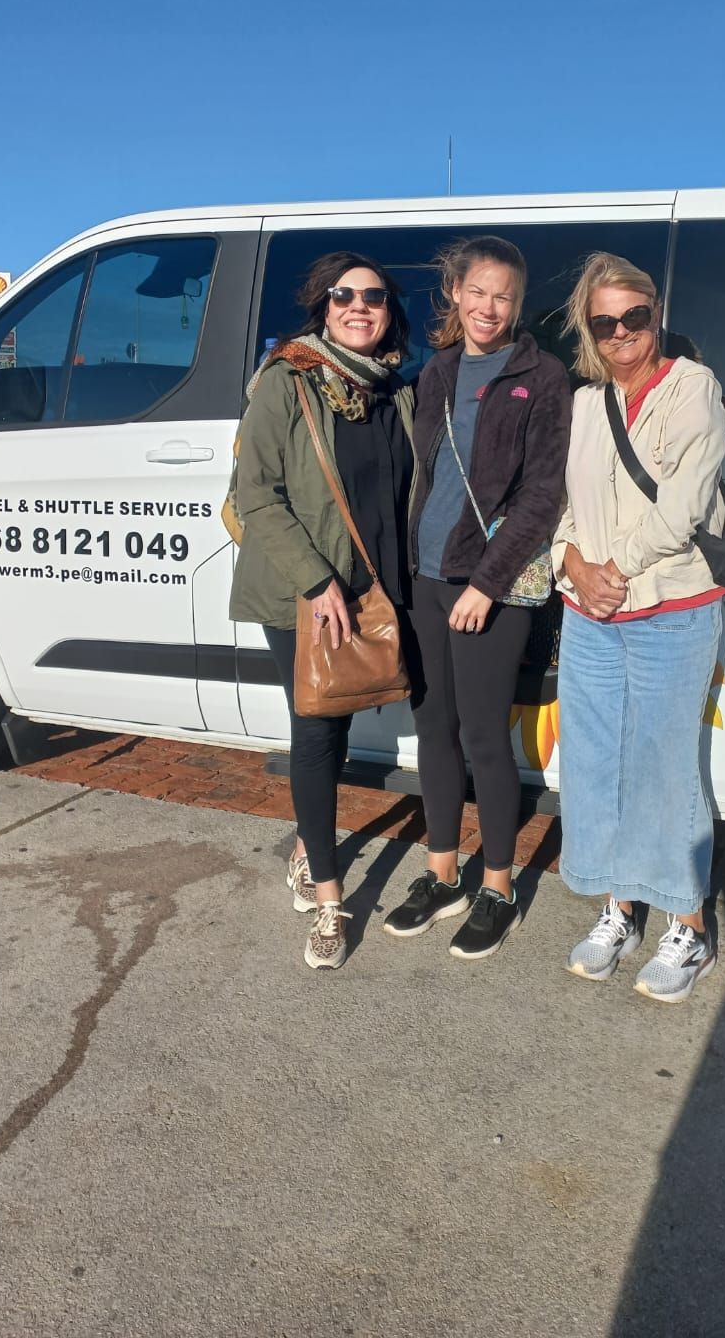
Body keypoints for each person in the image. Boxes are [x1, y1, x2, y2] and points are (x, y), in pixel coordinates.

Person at [384, 236, 571, 959]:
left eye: (505, 297)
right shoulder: (436, 371)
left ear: (517, 306)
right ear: (455, 293)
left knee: (485, 739)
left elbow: (542, 494)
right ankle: (440, 873)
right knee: (433, 733)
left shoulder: (542, 375)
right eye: (479, 291)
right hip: (427, 578)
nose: (490, 307)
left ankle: (496, 886)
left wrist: (487, 585)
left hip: (488, 588)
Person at [229, 252, 416, 972]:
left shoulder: (391, 388)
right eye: (344, 296)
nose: (359, 306)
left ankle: (309, 843)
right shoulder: (289, 379)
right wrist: (316, 583)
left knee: (333, 722)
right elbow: (258, 495)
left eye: (373, 296)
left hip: (368, 584)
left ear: (388, 309)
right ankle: (331, 898)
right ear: (324, 306)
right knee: (314, 728)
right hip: (304, 591)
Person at [552, 251, 725, 1003]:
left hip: (671, 610)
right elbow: (562, 504)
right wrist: (570, 564)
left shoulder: (692, 386)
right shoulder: (586, 404)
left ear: (656, 314)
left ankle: (687, 927)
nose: (623, 333)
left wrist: (609, 568)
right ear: (588, 331)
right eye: (606, 322)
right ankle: (617, 909)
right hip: (590, 615)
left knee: (663, 769)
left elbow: (683, 506)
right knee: (594, 765)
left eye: (636, 317)